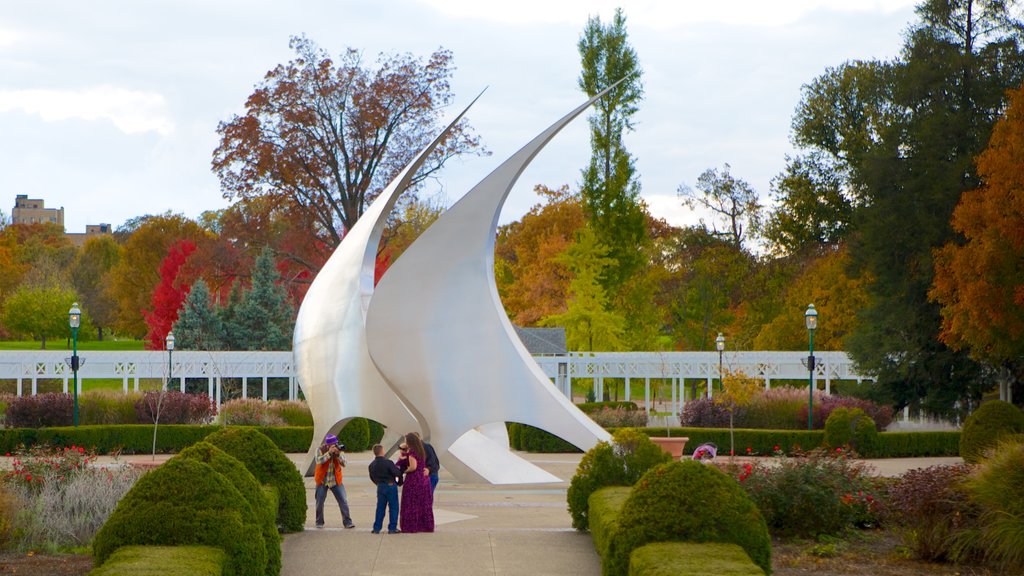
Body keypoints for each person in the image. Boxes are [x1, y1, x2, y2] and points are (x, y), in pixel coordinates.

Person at [314, 434, 355, 529]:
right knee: (319, 502)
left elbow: (344, 463)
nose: (335, 446)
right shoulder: (320, 450)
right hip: (322, 480)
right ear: (328, 445)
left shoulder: (339, 450)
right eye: (333, 445)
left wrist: (338, 455)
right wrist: (329, 453)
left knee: (343, 501)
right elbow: (319, 461)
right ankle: (319, 522)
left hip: (335, 480)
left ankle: (348, 522)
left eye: (336, 444)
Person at [395, 433, 434, 533]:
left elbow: (413, 467)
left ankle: (411, 526)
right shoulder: (420, 451)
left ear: (409, 442)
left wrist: (404, 471)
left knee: (411, 502)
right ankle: (425, 525)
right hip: (423, 480)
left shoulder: (412, 453)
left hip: (414, 480)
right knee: (423, 503)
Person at [367, 443, 402, 534]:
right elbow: (397, 473)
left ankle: (377, 528)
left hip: (380, 487)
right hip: (390, 486)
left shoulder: (371, 465)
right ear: (382, 451)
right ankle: (392, 528)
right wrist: (398, 482)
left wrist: (378, 483)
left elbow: (372, 477)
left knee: (380, 508)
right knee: (393, 507)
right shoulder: (388, 463)